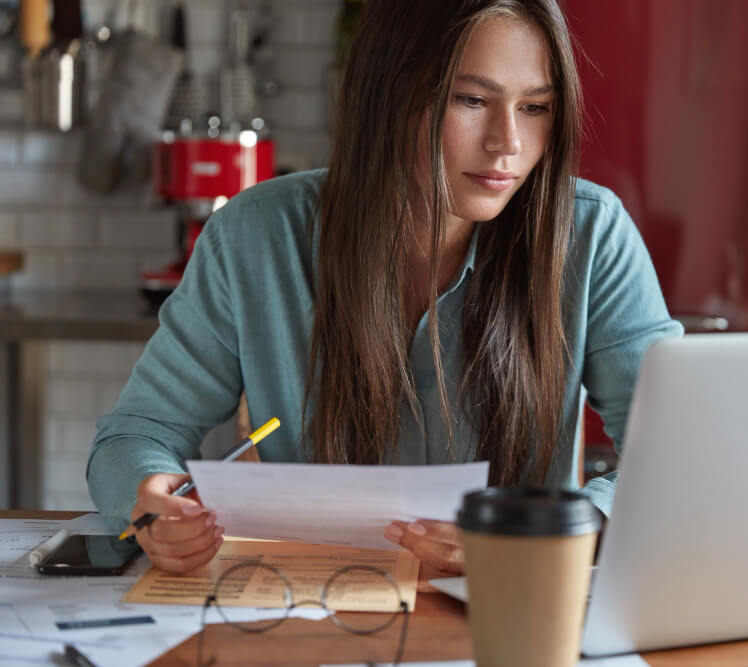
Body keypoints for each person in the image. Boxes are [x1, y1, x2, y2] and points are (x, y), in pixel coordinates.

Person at [87, 0, 682, 575]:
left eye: (535, 107)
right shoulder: (254, 236)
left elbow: (679, 455)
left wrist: (554, 529)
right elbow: (138, 434)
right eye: (471, 100)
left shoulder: (592, 234)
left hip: (511, 615)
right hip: (310, 610)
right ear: (389, 94)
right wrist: (149, 500)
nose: (508, 143)